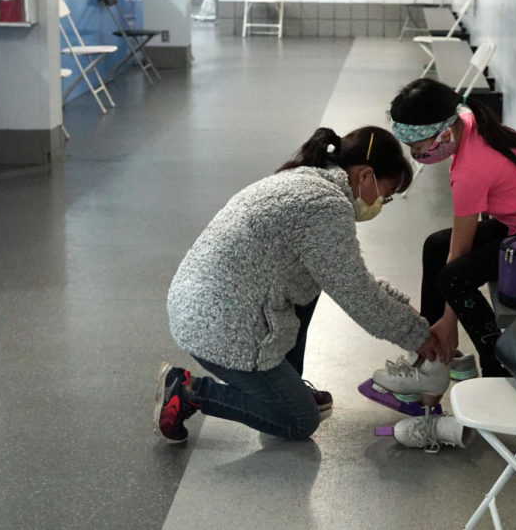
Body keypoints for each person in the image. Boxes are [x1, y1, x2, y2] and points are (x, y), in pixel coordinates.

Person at [155, 126, 440, 444]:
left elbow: (349, 276)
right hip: (221, 326)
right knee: (298, 420)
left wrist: (408, 313)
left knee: (317, 279)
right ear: (364, 176)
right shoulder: (325, 206)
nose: (380, 205)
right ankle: (189, 391)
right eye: (385, 196)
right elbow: (356, 293)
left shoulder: (306, 179)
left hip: (203, 304)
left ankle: (285, 383)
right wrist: (417, 335)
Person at [384, 78, 516, 380]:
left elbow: (460, 250)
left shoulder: (470, 170)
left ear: (443, 133)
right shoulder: (468, 123)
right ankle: (431, 354)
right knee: (435, 245)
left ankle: (495, 364)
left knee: (453, 278)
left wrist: (449, 319)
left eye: (418, 147)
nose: (417, 156)